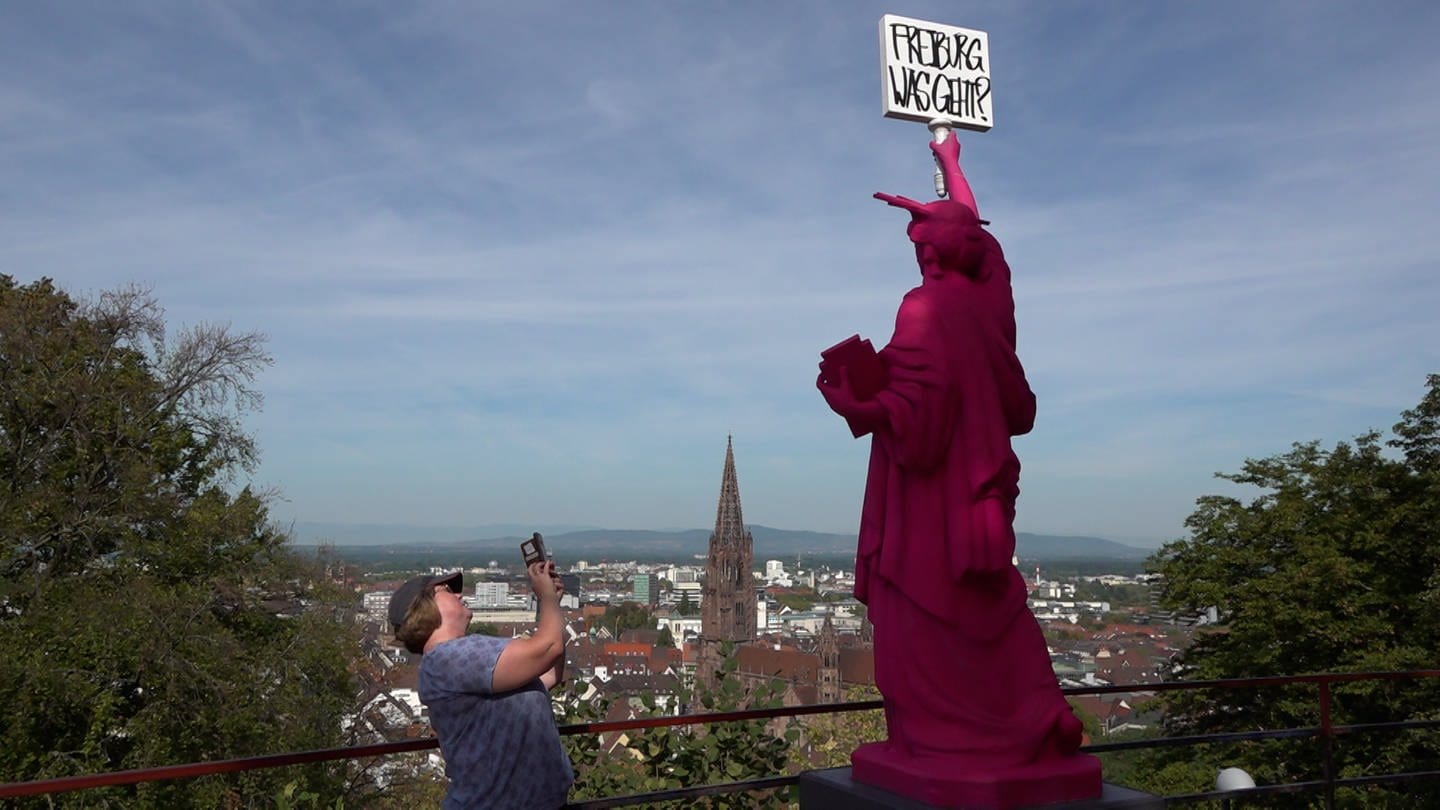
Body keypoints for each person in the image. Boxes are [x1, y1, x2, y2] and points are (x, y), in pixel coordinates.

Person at [817, 134, 1097, 804]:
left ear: (931, 253)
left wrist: (853, 401)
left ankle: (948, 739)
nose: (917, 252)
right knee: (989, 604)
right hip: (984, 495)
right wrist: (951, 164)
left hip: (930, 505)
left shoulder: (924, 307)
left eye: (921, 244)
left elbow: (916, 417)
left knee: (922, 617)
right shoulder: (989, 304)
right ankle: (1031, 715)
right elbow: (980, 245)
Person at [388, 561, 573, 809]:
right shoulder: (449, 657)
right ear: (423, 608)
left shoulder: (459, 660)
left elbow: (548, 672)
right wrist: (546, 597)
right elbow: (548, 649)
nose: (459, 594)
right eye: (446, 590)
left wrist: (552, 605)